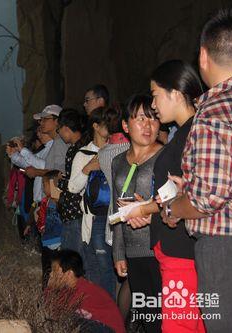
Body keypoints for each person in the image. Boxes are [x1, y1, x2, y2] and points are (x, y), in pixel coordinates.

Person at [161, 9, 232, 332]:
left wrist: (173, 208)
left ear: (203, 56)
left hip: (228, 251)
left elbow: (206, 198)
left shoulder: (214, 110)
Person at [124, 59, 205, 332]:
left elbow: (192, 197)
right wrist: (149, 212)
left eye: (156, 94)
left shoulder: (193, 133)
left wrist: (145, 211)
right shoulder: (184, 133)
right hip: (176, 250)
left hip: (182, 252)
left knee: (179, 326)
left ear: (175, 92)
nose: (154, 104)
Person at [112, 95, 163, 333]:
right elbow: (117, 208)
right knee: (145, 317)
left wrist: (150, 210)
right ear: (125, 125)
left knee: (162, 318)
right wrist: (118, 252)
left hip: (159, 250)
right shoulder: (117, 162)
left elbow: (174, 203)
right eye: (141, 118)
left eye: (153, 119)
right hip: (132, 252)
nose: (148, 125)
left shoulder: (165, 156)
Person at [66, 107, 115, 298]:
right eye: (106, 122)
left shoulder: (119, 149)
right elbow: (73, 187)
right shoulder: (83, 153)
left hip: (116, 218)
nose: (111, 126)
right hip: (93, 221)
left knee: (110, 271)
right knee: (98, 272)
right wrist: (88, 168)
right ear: (95, 126)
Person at [98, 106, 132, 320]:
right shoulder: (130, 148)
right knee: (130, 277)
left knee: (121, 276)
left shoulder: (102, 153)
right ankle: (121, 322)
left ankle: (118, 322)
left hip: (113, 217)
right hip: (131, 216)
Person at [48, 250, 125, 333]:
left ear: (69, 274)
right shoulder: (67, 290)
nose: (51, 274)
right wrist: (50, 288)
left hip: (108, 330)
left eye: (54, 271)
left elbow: (55, 313)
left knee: (70, 319)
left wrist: (51, 289)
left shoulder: (86, 291)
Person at [56, 108, 87, 256]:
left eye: (59, 129)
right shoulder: (86, 145)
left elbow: (73, 183)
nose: (59, 134)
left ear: (66, 128)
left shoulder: (75, 150)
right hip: (80, 211)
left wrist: (59, 182)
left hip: (74, 211)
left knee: (72, 257)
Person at [24, 105, 69, 177]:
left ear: (57, 121)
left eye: (45, 119)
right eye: (41, 120)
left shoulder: (60, 142)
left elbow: (59, 173)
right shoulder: (56, 142)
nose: (41, 123)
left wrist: (36, 172)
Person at [36, 170, 63, 288]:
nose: (43, 188)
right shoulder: (46, 201)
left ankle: (52, 298)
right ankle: (45, 296)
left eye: (44, 184)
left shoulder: (59, 201)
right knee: (46, 271)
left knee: (54, 272)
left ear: (53, 184)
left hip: (56, 243)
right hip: (47, 241)